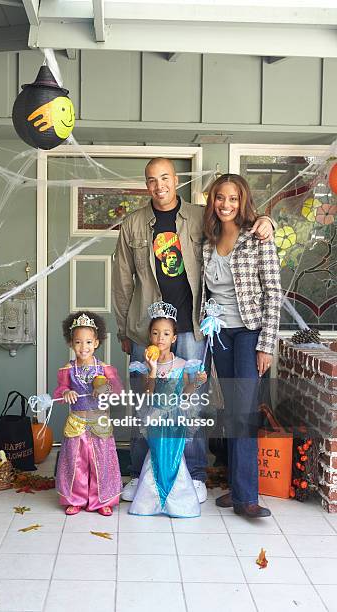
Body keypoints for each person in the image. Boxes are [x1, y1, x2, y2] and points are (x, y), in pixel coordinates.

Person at [112, 157, 274, 503]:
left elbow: (237, 221)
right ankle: (143, 475)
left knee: (193, 404)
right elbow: (122, 280)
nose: (160, 186)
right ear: (147, 185)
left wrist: (266, 221)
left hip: (192, 329)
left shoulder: (200, 218)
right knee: (145, 403)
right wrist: (124, 328)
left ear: (176, 180)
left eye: (166, 178)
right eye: (152, 180)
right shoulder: (134, 224)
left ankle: (196, 474)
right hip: (146, 328)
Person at [201, 174, 282, 518]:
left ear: (242, 201)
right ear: (213, 201)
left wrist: (266, 345)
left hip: (249, 333)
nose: (226, 205)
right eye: (220, 198)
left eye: (233, 199)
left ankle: (248, 497)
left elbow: (274, 293)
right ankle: (237, 489)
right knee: (231, 410)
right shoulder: (207, 240)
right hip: (219, 334)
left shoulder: (257, 238)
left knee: (246, 410)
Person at [129, 301, 208, 518]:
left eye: (165, 334)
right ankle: (150, 500)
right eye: (155, 333)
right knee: (155, 456)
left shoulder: (183, 364)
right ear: (149, 337)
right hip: (155, 418)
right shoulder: (144, 366)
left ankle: (177, 501)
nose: (160, 338)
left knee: (174, 458)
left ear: (174, 338)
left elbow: (186, 392)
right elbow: (148, 393)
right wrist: (152, 370)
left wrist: (197, 382)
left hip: (175, 421)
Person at [53, 311, 123, 516]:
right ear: (70, 343)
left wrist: (105, 388)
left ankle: (103, 499)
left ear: (97, 343)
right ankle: (75, 498)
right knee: (76, 461)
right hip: (77, 422)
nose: (83, 348)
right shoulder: (67, 369)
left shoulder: (104, 369)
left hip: (98, 422)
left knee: (101, 461)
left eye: (88, 342)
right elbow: (59, 390)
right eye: (78, 342)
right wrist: (66, 392)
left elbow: (117, 389)